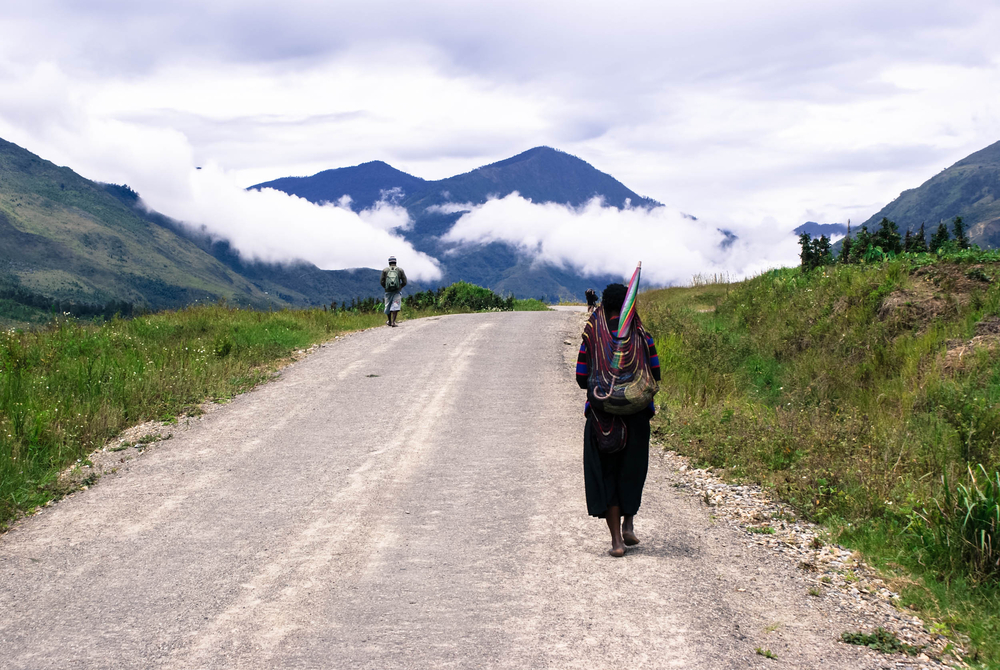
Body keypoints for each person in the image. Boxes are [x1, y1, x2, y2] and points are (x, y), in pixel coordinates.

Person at [576, 283, 660, 557]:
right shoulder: (640, 332)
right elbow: (655, 373)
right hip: (636, 417)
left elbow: (580, 377)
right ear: (627, 305)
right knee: (632, 472)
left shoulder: (592, 331)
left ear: (603, 304)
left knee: (608, 474)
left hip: (602, 419)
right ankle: (629, 524)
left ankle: (616, 542)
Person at [380, 256, 407, 327]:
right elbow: (405, 281)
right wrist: (400, 287)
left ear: (389, 262)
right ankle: (393, 322)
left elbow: (381, 281)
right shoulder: (400, 270)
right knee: (395, 305)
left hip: (388, 291)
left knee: (388, 305)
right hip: (397, 291)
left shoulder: (385, 270)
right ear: (395, 262)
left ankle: (389, 321)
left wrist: (386, 287)